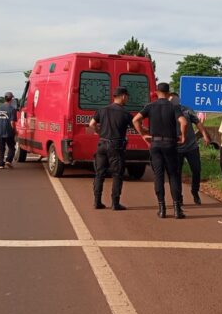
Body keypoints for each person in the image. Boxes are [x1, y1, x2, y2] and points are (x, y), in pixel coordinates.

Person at [133, 82, 188, 218]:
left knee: (158, 176)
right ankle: (177, 209)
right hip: (170, 144)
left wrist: (143, 134)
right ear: (169, 94)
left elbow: (135, 120)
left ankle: (162, 208)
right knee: (173, 175)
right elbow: (184, 122)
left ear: (156, 92)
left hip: (156, 144)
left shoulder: (150, 106)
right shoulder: (174, 107)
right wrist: (183, 136)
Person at [88, 87, 134, 211]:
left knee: (99, 174)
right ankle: (115, 203)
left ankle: (97, 202)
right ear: (123, 96)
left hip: (102, 144)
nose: (127, 98)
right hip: (116, 146)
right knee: (117, 174)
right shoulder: (125, 113)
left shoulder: (102, 110)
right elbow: (136, 127)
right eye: (127, 96)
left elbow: (91, 124)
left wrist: (99, 132)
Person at [169, 92, 211, 205]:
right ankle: (178, 196)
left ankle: (195, 191)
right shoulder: (167, 112)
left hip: (192, 146)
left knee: (196, 170)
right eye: (172, 100)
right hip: (176, 148)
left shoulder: (187, 110)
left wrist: (205, 135)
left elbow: (198, 123)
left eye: (176, 99)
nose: (174, 102)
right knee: (177, 173)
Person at [0, 92, 18, 168]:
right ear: (11, 99)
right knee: (12, 147)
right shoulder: (12, 109)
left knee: (1, 148)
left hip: (0, 130)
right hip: (8, 131)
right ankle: (8, 160)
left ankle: (1, 164)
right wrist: (15, 130)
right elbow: (12, 122)